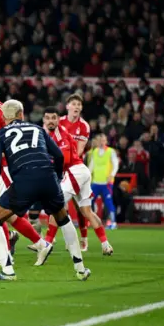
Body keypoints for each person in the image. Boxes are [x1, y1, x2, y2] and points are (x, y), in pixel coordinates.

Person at [0, 100, 90, 281]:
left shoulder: (0, 134)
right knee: (63, 218)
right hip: (48, 178)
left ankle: (8, 271)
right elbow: (58, 155)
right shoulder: (39, 129)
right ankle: (80, 269)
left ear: (4, 118)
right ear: (21, 114)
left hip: (24, 181)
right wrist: (56, 179)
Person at [0, 79, 46, 266]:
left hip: (5, 167)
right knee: (6, 214)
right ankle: (37, 245)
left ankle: (5, 256)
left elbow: (12, 138)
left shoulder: (2, 113)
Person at [42, 107, 113, 256]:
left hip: (75, 171)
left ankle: (47, 243)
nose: (50, 121)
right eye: (47, 118)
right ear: (44, 120)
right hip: (80, 172)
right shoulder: (50, 136)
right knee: (87, 211)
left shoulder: (60, 135)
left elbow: (64, 160)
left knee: (56, 205)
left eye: (53, 118)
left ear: (58, 119)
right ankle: (106, 245)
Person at [58, 94, 92, 249]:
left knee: (80, 207)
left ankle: (84, 237)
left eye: (79, 104)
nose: (77, 107)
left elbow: (78, 151)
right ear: (67, 107)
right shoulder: (59, 122)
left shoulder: (84, 126)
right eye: (74, 104)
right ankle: (68, 239)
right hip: (60, 167)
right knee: (61, 205)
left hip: (75, 168)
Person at [88, 133, 119, 229]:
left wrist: (112, 175)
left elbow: (115, 164)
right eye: (100, 140)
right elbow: (91, 167)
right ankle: (92, 220)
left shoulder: (111, 151)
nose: (101, 142)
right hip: (96, 182)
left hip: (107, 182)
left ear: (106, 141)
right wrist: (87, 177)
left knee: (108, 202)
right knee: (89, 201)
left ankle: (113, 222)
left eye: (103, 140)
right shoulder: (95, 152)